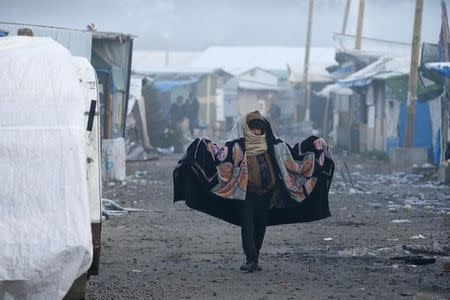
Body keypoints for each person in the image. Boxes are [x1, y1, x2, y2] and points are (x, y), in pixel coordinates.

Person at [173, 111, 334, 273]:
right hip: (247, 194)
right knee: (248, 225)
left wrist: (315, 143)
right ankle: (250, 259)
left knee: (260, 225)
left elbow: (293, 154)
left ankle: (254, 258)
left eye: (260, 129)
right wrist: (202, 144)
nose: (257, 132)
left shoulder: (274, 145)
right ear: (246, 128)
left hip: (268, 193)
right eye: (253, 129)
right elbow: (221, 158)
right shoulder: (237, 146)